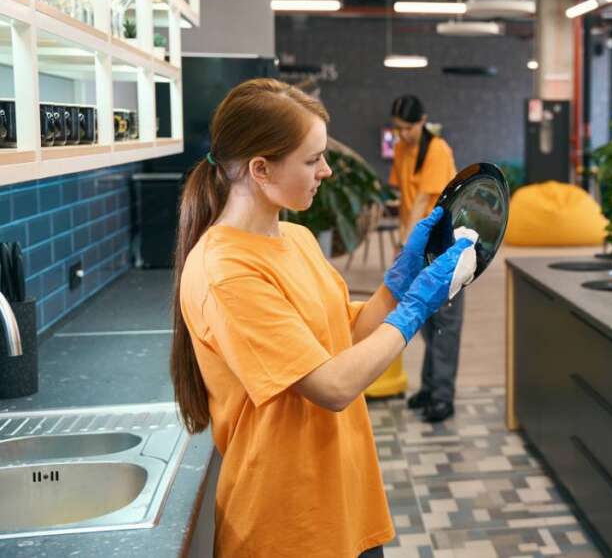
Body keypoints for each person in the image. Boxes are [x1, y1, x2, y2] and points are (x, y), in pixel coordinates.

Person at [170, 79, 472, 558]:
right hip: (288, 525)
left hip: (345, 504)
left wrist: (397, 284)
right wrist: (415, 309)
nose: (327, 171)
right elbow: (331, 385)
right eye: (313, 160)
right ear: (261, 169)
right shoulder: (225, 272)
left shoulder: (295, 239)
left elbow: (344, 334)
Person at [388, 94, 464, 423]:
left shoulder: (437, 149)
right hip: (418, 244)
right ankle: (430, 387)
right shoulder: (404, 149)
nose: (402, 134)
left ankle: (443, 397)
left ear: (423, 121)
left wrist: (407, 244)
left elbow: (422, 201)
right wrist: (401, 238)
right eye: (398, 128)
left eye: (408, 128)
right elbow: (402, 196)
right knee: (427, 320)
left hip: (445, 246)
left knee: (446, 322)